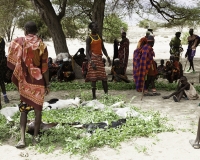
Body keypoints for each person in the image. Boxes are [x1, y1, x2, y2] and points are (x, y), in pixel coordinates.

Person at [7, 21, 50, 148]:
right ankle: (35, 139)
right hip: (38, 81)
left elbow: (10, 52)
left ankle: (22, 140)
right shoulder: (42, 45)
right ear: (36, 31)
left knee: (23, 111)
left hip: (24, 81)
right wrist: (47, 84)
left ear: (25, 30)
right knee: (38, 111)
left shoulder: (19, 41)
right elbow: (45, 68)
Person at [85, 22, 111, 100]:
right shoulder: (89, 38)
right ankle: (94, 97)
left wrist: (107, 56)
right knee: (93, 78)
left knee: (104, 78)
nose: (97, 28)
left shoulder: (99, 37)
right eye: (95, 27)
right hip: (93, 59)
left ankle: (106, 95)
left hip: (99, 59)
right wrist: (91, 62)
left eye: (97, 27)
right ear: (91, 28)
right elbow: (87, 52)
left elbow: (103, 48)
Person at [0, 36, 10, 103]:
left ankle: (5, 96)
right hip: (2, 62)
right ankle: (5, 97)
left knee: (1, 80)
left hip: (1, 63)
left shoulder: (1, 40)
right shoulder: (2, 39)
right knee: (1, 81)